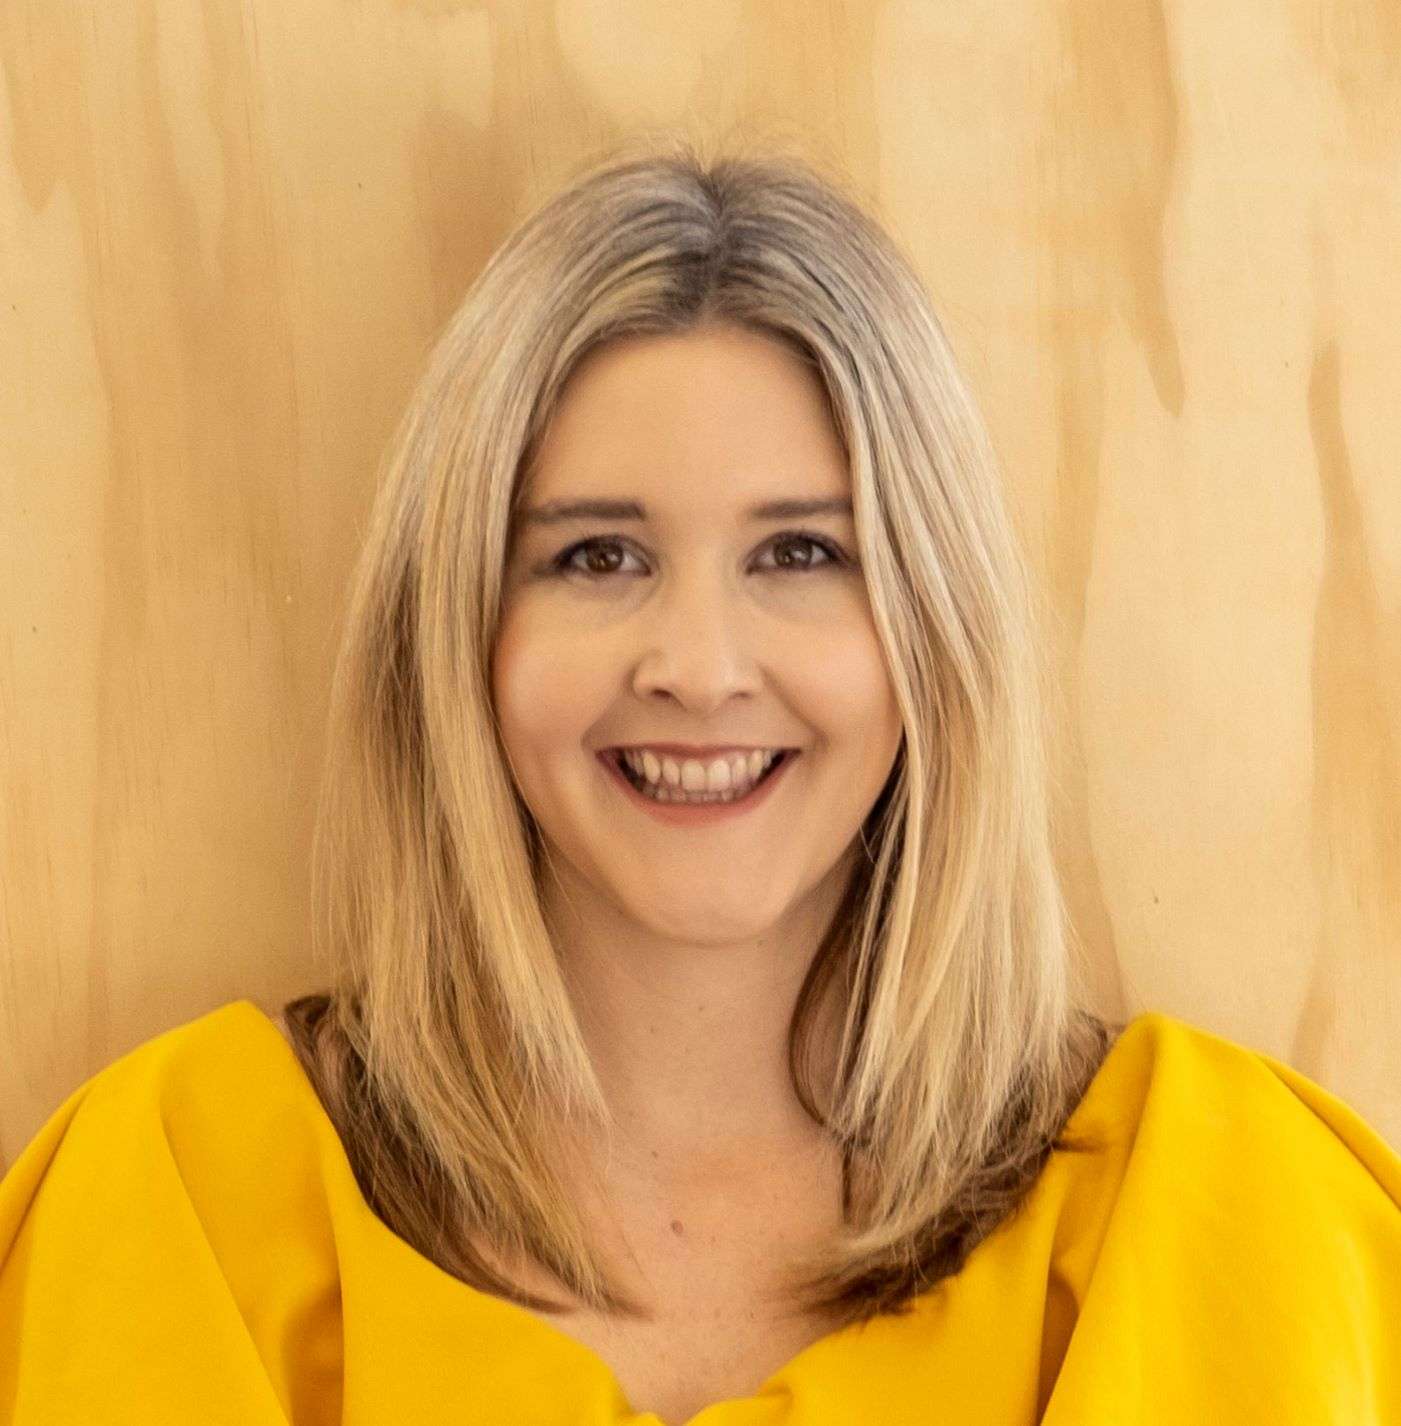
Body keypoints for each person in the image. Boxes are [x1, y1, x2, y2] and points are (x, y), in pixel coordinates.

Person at [2, 136, 1398, 1426]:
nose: (698, 663)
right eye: (595, 556)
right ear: (459, 630)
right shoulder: (177, 1196)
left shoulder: (1223, 1202)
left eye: (800, 553)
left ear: (932, 621)